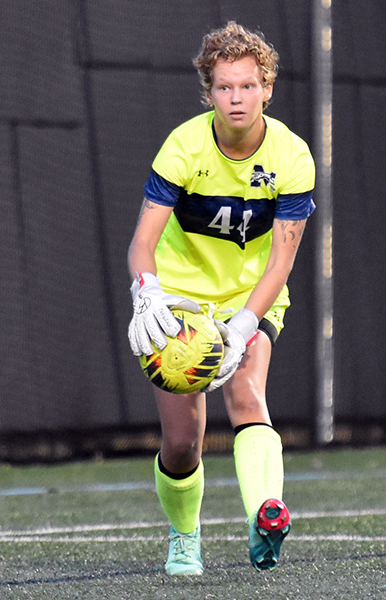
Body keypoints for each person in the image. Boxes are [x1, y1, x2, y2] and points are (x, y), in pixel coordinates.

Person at [126, 21, 315, 576]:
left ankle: (266, 514)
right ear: (208, 92)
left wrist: (245, 321)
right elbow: (141, 244)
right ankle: (185, 535)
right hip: (180, 297)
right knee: (183, 442)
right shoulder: (184, 146)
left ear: (268, 89)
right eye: (225, 87)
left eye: (248, 86)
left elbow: (281, 260)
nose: (237, 98)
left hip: (250, 295)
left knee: (248, 393)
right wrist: (147, 293)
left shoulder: (292, 157)